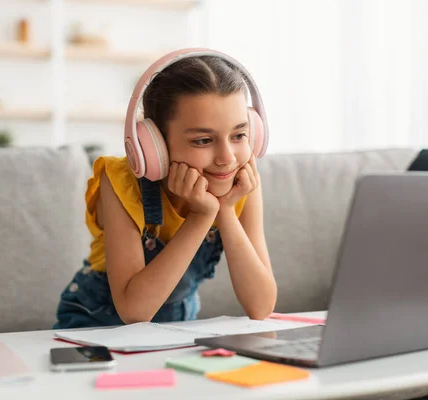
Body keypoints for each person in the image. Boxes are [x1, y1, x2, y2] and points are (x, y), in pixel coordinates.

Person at [53, 49, 277, 329]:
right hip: (96, 326)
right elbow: (134, 312)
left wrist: (226, 210)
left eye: (239, 135)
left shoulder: (240, 182)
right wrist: (201, 216)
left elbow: (261, 306)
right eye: (203, 140)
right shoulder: (120, 181)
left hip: (176, 328)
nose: (227, 158)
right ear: (154, 145)